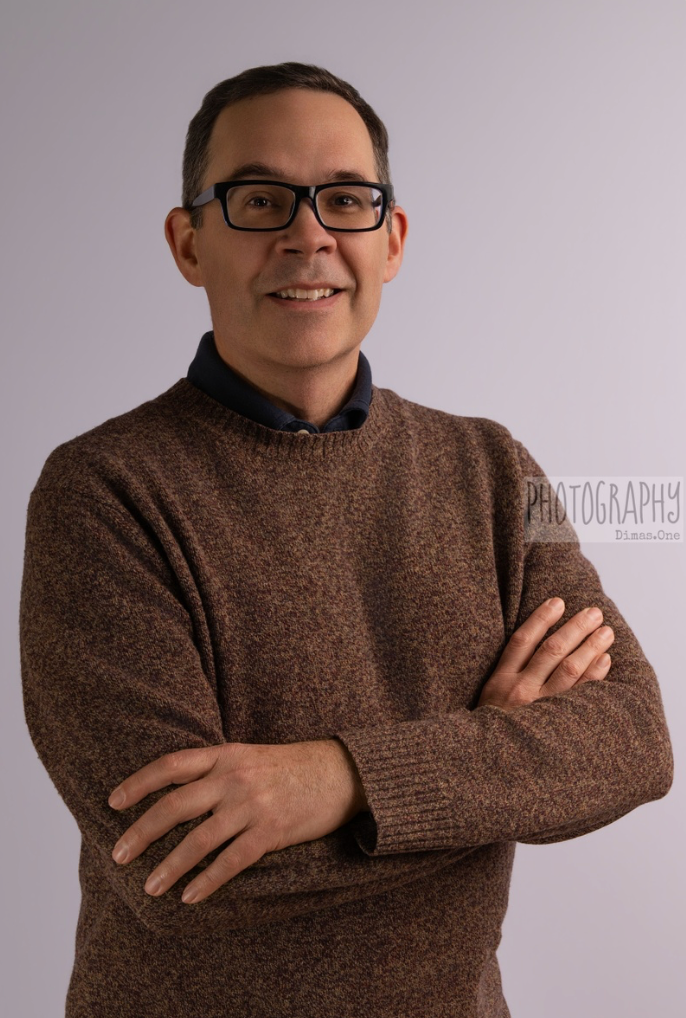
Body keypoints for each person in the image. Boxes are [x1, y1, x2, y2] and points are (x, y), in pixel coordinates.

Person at [19, 61, 673, 1018]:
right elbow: (181, 868)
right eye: (259, 200)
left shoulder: (497, 467)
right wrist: (496, 759)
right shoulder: (100, 491)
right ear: (189, 242)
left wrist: (336, 780)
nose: (309, 235)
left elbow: (634, 741)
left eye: (347, 200)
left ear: (391, 238)